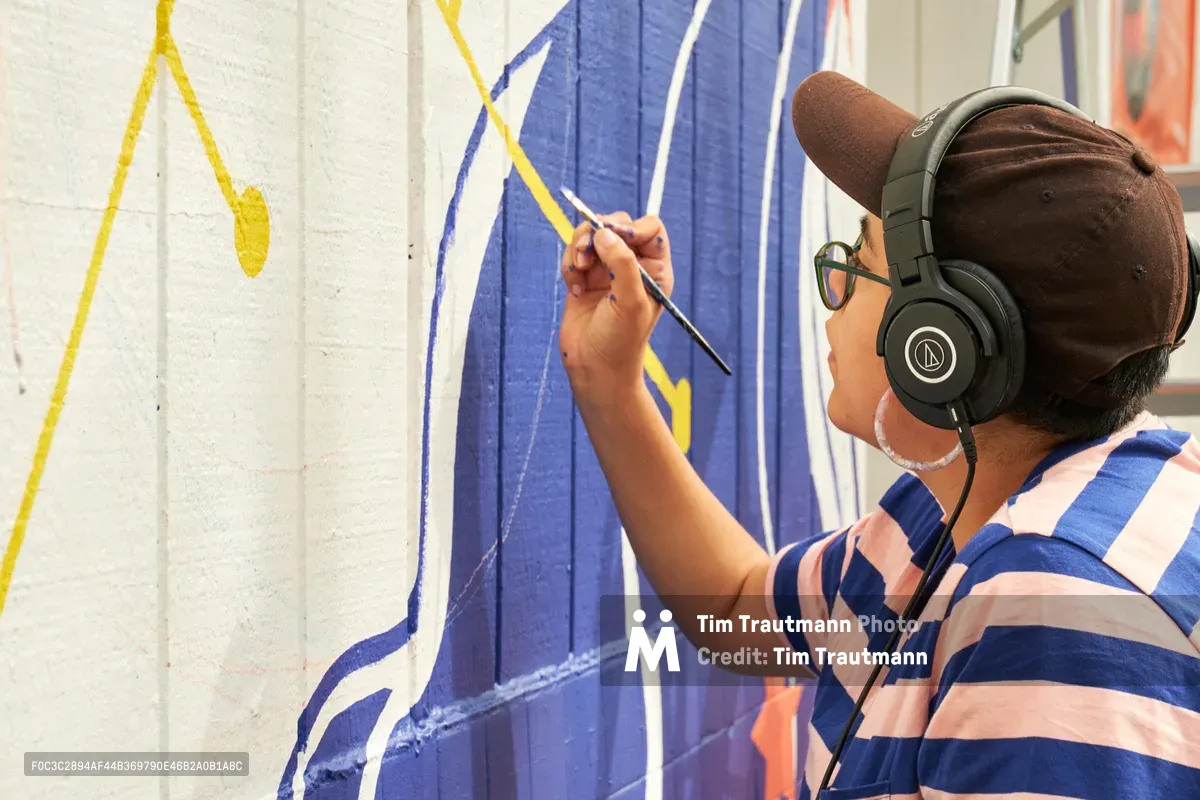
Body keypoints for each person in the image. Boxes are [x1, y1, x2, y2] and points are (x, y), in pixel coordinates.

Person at [557, 70, 1200, 798]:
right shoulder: (955, 507)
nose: (832, 297)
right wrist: (608, 381)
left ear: (943, 343)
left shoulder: (1052, 608)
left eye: (857, 264)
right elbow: (739, 610)